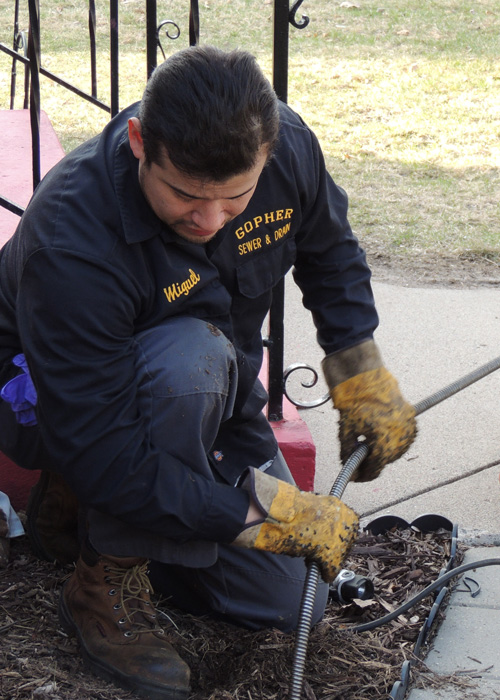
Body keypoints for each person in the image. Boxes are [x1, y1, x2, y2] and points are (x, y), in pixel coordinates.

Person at [0, 45, 416, 699]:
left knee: (292, 606)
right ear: (140, 142)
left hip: (205, 387)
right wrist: (253, 513)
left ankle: (95, 510)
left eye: (235, 198)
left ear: (269, 150)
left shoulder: (288, 147)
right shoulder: (72, 240)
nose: (211, 220)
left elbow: (331, 251)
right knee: (186, 360)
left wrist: (359, 371)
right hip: (53, 399)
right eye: (186, 196)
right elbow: (103, 446)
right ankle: (103, 581)